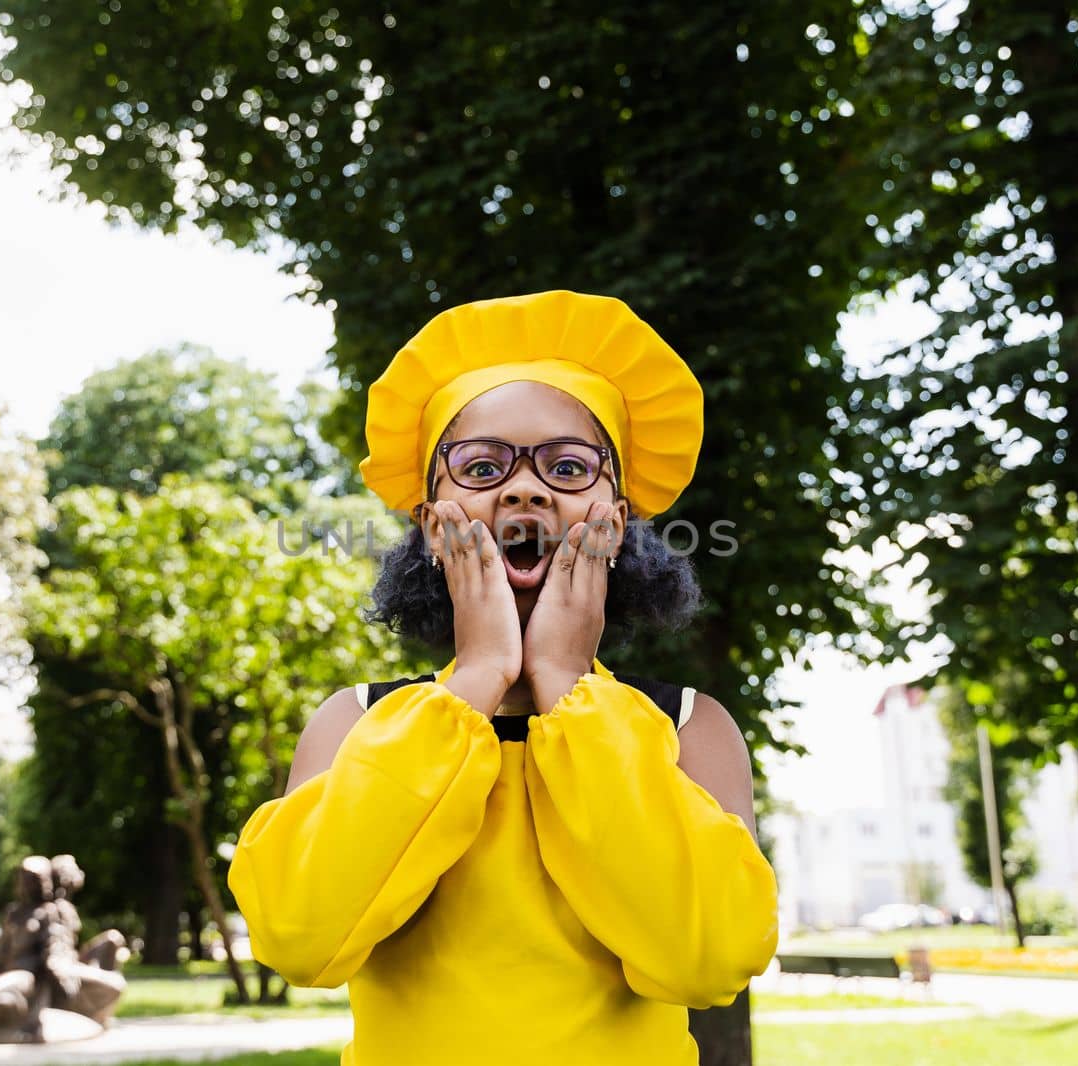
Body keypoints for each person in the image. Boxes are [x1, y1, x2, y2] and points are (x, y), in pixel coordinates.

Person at [229, 290, 778, 1065]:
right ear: (431, 522)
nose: (524, 490)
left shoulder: (691, 727)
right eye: (482, 466)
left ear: (615, 521)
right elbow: (300, 939)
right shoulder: (352, 722)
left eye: (566, 465)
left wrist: (565, 681)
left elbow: (708, 959)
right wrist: (481, 674)